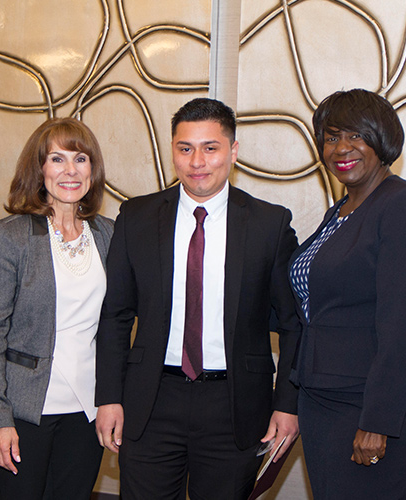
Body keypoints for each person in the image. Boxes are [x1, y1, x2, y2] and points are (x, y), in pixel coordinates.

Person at [95, 97, 300, 500]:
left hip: (235, 405)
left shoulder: (269, 224)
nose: (197, 161)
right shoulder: (136, 216)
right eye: (185, 148)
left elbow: (294, 324)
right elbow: (115, 315)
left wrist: (288, 405)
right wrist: (108, 398)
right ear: (173, 150)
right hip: (151, 400)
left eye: (211, 148)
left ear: (233, 151)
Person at [289, 88, 406, 499]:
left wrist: (378, 420)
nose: (342, 148)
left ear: (382, 139)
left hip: (370, 407)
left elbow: (405, 325)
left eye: (356, 136)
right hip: (323, 399)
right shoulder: (340, 211)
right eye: (332, 136)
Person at [0, 117, 114, 500]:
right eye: (57, 159)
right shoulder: (11, 236)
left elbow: (118, 324)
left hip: (86, 411)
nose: (70, 171)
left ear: (92, 169)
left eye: (81, 159)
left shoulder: (108, 234)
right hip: (24, 411)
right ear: (39, 169)